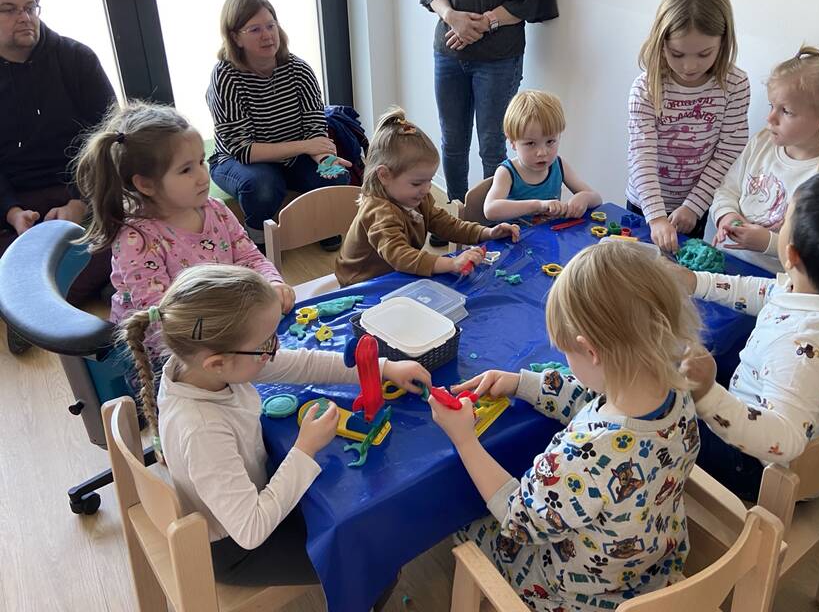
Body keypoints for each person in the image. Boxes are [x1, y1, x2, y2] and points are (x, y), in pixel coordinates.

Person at [119, 264, 431, 587]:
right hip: (238, 550)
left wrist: (381, 368)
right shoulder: (201, 429)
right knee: (374, 555)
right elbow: (251, 529)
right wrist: (304, 448)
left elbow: (300, 363)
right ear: (217, 363)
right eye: (266, 344)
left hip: (246, 504)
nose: (275, 349)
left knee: (350, 508)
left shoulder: (199, 367)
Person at [430, 242, 702, 611]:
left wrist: (464, 440)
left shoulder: (582, 454)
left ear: (590, 351)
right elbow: (591, 399)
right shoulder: (673, 392)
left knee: (461, 522)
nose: (565, 360)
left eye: (566, 353)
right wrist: (519, 383)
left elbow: (517, 516)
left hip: (571, 595)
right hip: (650, 568)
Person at [672, 171, 819, 500]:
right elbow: (768, 292)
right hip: (787, 436)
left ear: (792, 255)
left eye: (786, 219)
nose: (780, 221)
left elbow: (782, 442)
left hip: (759, 469)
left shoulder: (803, 347)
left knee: (660, 401)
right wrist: (697, 282)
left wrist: (708, 395)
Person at [73, 101, 293, 360]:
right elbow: (161, 318)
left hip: (223, 328)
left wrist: (273, 283)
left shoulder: (216, 209)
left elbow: (249, 258)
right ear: (145, 184)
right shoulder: (136, 239)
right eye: (186, 169)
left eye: (201, 162)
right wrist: (222, 335)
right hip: (168, 354)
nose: (202, 176)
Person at [0, 0, 116, 352]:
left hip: (78, 186)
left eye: (30, 7)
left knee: (129, 227)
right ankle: (83, 286)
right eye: (9, 9)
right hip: (15, 195)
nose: (24, 17)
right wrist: (12, 211)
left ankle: (30, 309)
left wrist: (77, 201)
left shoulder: (76, 58)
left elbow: (108, 140)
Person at [420, 0, 558, 210]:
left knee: (493, 146)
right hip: (448, 53)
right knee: (452, 142)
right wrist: (451, 17)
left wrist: (485, 23)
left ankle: (488, 221)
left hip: (499, 58)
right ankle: (455, 215)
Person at [205, 0, 351, 250]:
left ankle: (321, 226)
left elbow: (315, 129)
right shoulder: (226, 76)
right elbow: (243, 150)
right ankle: (257, 245)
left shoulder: (299, 69)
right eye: (255, 29)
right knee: (263, 185)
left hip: (293, 155)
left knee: (337, 175)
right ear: (235, 37)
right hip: (238, 161)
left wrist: (325, 159)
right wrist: (306, 147)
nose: (267, 35)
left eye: (271, 25)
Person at [707, 46, 819, 272]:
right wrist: (727, 216)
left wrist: (768, 243)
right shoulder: (762, 142)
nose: (770, 117)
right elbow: (727, 190)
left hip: (778, 282)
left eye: (787, 111)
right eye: (773, 106)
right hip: (724, 264)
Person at [626, 0, 750, 253]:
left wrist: (694, 206)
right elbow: (641, 154)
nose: (689, 66)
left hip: (694, 204)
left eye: (704, 54)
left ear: (724, 42)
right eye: (677, 53)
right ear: (661, 42)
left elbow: (728, 153)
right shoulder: (646, 87)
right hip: (644, 204)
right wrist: (656, 217)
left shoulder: (735, 85)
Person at [335, 108, 519, 287]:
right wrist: (451, 264)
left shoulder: (417, 197)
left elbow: (447, 224)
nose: (426, 189)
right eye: (417, 183)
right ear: (384, 175)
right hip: (362, 284)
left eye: (429, 180)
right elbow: (400, 256)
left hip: (395, 275)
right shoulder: (379, 211)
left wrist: (486, 233)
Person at [483, 90, 602, 223]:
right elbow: (490, 210)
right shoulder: (507, 172)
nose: (542, 152)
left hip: (551, 237)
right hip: (515, 240)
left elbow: (597, 198)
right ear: (512, 142)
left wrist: (583, 197)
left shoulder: (559, 165)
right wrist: (538, 205)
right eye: (530, 143)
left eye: (550, 141)